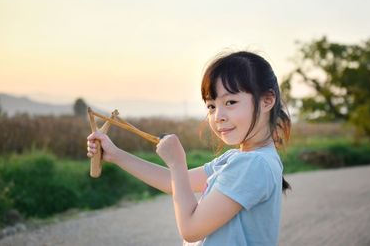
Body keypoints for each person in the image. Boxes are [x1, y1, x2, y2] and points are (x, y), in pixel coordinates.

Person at [87, 51, 291, 246]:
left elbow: (191, 229)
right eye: (211, 106)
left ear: (267, 101)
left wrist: (177, 163)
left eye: (230, 102)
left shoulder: (252, 164)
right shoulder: (240, 158)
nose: (218, 115)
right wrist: (115, 155)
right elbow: (173, 182)